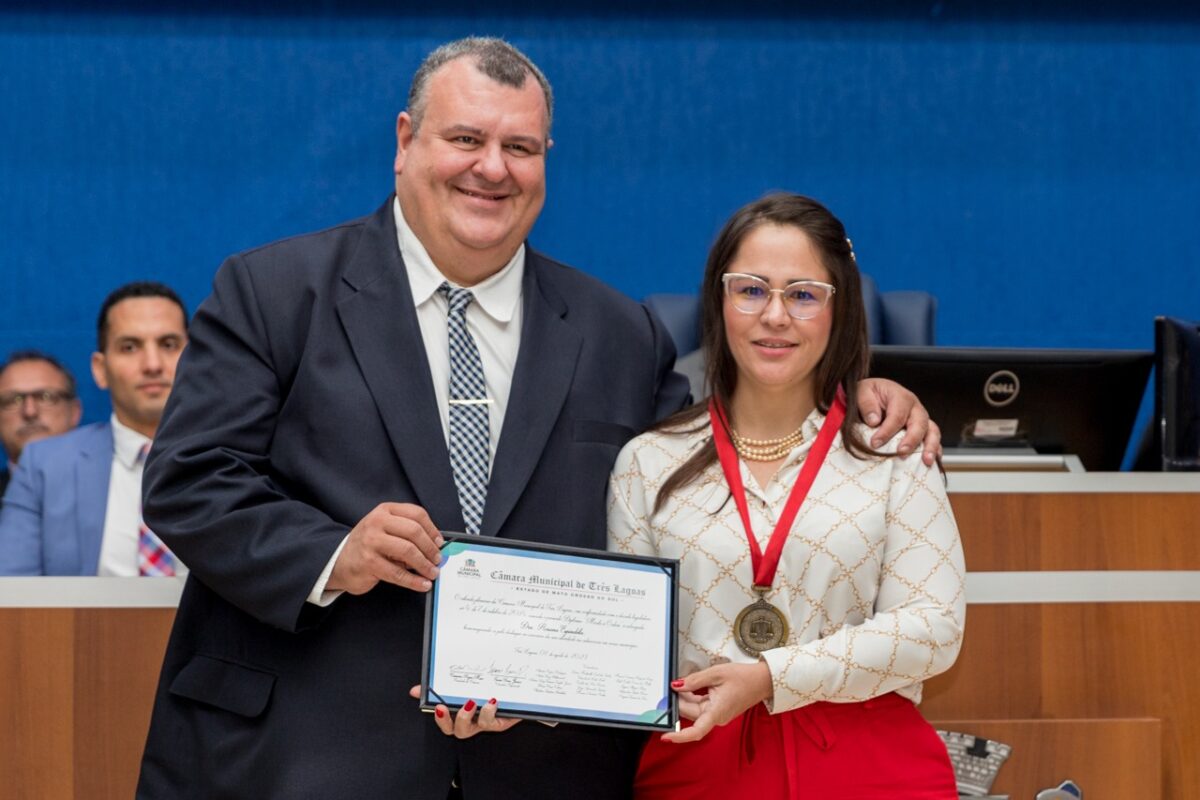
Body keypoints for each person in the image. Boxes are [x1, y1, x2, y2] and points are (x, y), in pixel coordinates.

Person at [136, 38, 940, 799]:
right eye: (465, 139)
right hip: (304, 752)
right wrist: (334, 553)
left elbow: (706, 479)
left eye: (521, 148)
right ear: (406, 140)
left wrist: (853, 402)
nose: (493, 168)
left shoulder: (618, 332)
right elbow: (188, 482)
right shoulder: (274, 290)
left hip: (545, 763)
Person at [608, 193, 965, 798]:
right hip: (699, 771)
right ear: (718, 302)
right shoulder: (647, 463)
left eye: (802, 294)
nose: (774, 315)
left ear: (838, 309)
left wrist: (772, 676)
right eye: (751, 289)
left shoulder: (895, 450)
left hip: (872, 768)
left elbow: (934, 630)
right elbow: (624, 653)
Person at [0, 282, 189, 576]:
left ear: (197, 359)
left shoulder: (244, 454)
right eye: (130, 347)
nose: (152, 364)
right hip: (81, 624)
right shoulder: (44, 467)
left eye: (168, 345)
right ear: (100, 369)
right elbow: (13, 595)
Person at [0, 350, 82, 495]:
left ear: (75, 412)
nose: (30, 412)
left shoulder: (116, 491)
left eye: (46, 397)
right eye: (13, 400)